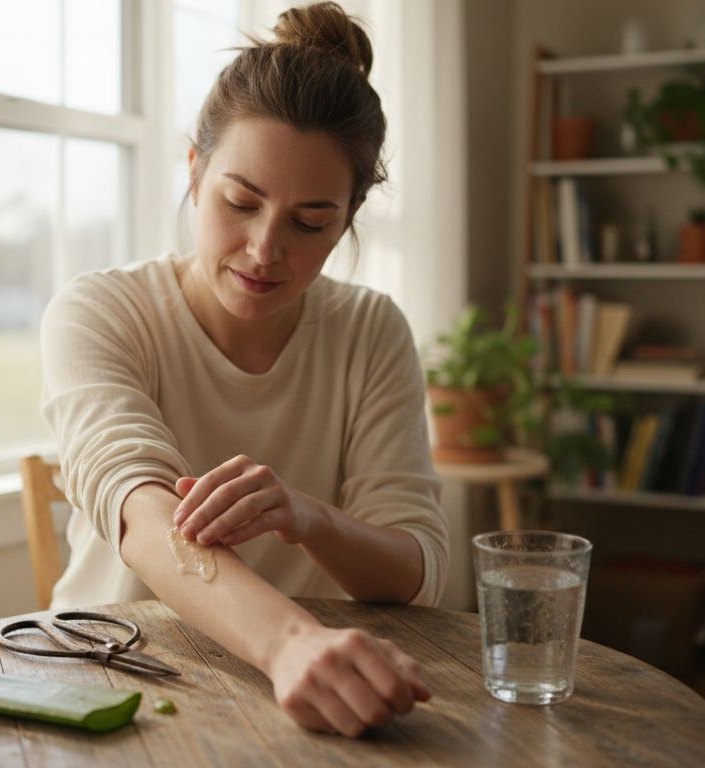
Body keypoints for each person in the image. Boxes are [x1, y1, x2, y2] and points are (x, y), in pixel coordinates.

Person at [39, 2, 448, 738]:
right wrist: (290, 642)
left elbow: (417, 569)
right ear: (195, 173)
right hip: (111, 683)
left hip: (301, 696)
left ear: (349, 217)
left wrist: (308, 516)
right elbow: (142, 508)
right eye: (241, 202)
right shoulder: (99, 311)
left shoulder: (370, 330)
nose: (264, 249)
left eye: (310, 222)